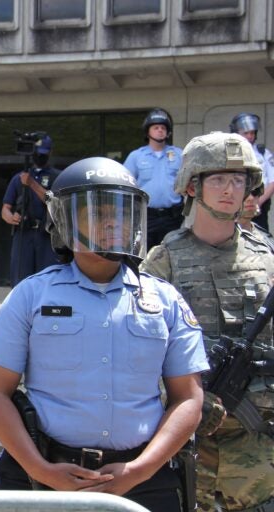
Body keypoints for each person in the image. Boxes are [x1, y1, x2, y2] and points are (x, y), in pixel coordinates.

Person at [0, 156, 207, 512]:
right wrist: (40, 469)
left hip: (144, 480)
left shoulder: (165, 299)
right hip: (43, 475)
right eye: (97, 213)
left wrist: (140, 470)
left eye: (121, 211)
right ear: (66, 220)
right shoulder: (30, 295)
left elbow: (189, 398)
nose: (113, 222)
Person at [141, 131, 274, 512]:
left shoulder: (267, 260)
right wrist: (184, 401)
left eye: (238, 179)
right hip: (189, 438)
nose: (229, 189)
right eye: (217, 178)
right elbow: (141, 354)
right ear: (192, 186)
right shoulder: (163, 261)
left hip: (258, 442)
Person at [1, 132, 61, 286]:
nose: (39, 157)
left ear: (50, 153)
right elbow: (5, 208)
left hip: (46, 234)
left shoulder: (57, 177)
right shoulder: (19, 178)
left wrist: (32, 184)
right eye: (37, 154)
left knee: (47, 278)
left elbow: (53, 202)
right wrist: (10, 217)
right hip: (24, 233)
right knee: (20, 278)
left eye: (43, 154)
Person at [124, 108, 184, 250]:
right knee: (143, 254)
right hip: (146, 216)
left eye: (163, 128)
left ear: (168, 132)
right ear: (148, 132)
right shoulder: (136, 156)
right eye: (156, 127)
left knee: (172, 252)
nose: (160, 130)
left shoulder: (178, 154)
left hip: (173, 217)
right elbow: (125, 183)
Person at [229, 112, 274, 231]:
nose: (250, 136)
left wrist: (258, 202)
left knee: (260, 236)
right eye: (246, 133)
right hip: (236, 203)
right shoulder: (229, 153)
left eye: (252, 133)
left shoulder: (263, 153)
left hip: (260, 203)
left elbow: (272, 181)